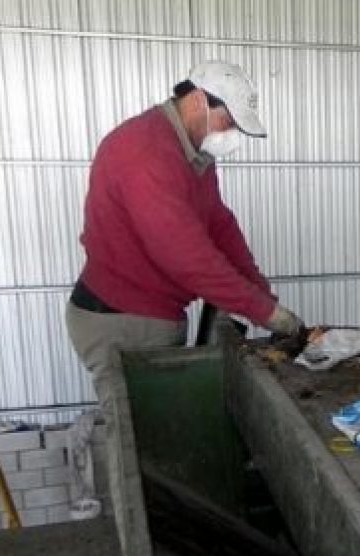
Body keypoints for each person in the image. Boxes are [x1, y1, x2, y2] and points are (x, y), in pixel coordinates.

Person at [66, 61, 304, 416]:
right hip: (122, 321)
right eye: (230, 121)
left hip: (150, 315)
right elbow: (187, 257)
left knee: (166, 426)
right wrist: (264, 312)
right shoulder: (145, 152)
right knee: (147, 438)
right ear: (196, 101)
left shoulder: (194, 154)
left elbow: (218, 225)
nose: (232, 134)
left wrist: (260, 291)